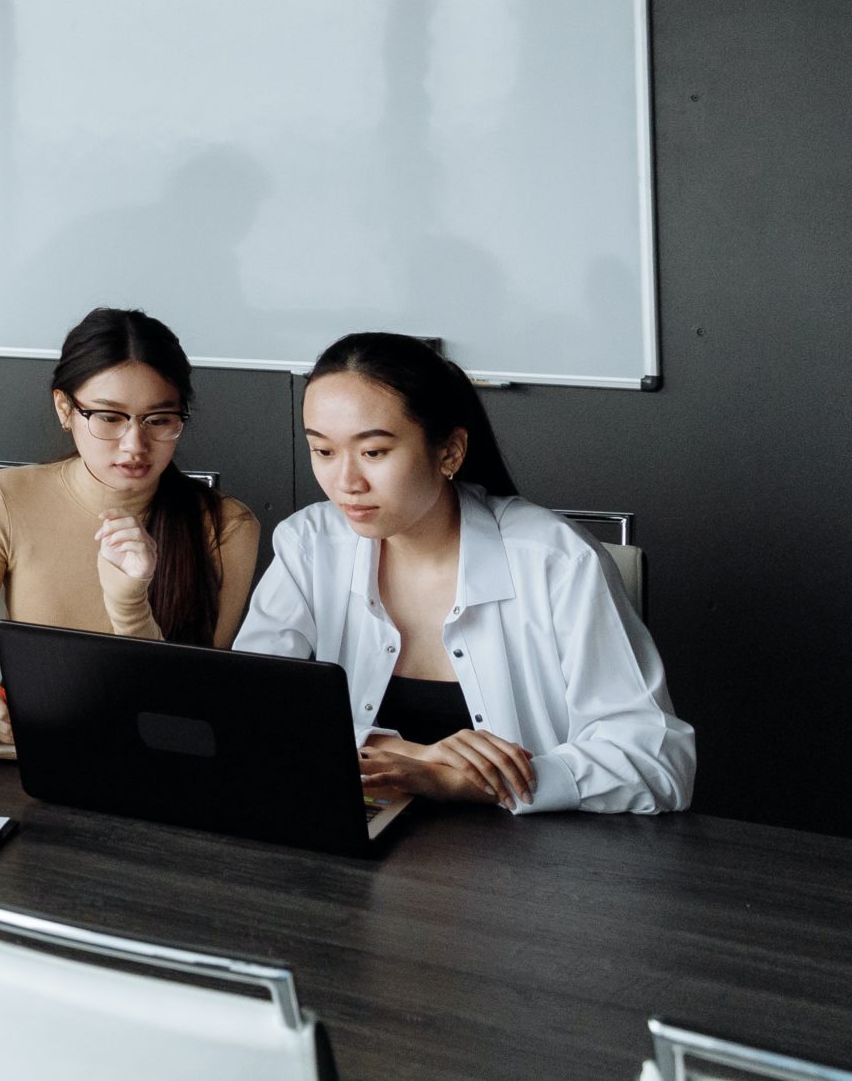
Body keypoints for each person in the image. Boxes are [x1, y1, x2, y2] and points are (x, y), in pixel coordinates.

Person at [234, 331, 695, 814]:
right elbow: (248, 709)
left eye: (373, 453)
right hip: (362, 839)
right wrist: (408, 754)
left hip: (531, 860)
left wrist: (475, 782)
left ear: (450, 452)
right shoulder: (310, 543)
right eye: (324, 451)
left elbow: (658, 763)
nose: (345, 482)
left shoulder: (555, 559)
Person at [0, 307, 260, 747]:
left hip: (155, 761)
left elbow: (187, 705)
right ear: (65, 408)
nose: (135, 445)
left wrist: (129, 601)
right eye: (109, 417)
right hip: (35, 752)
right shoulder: (7, 496)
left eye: (159, 420)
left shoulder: (228, 527)